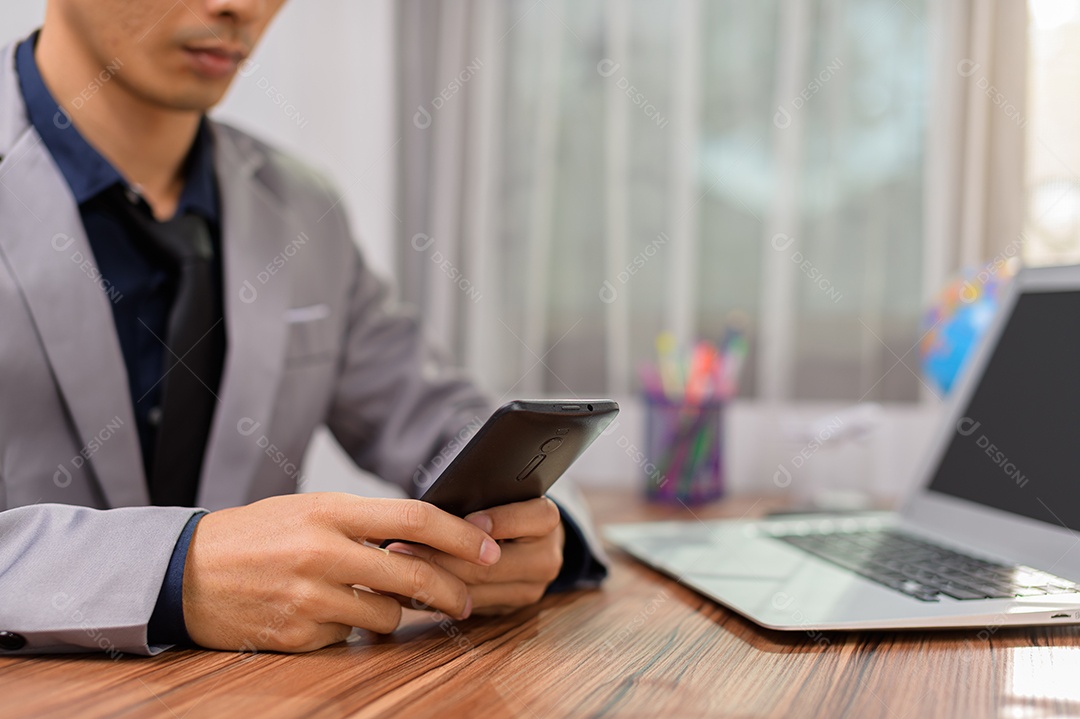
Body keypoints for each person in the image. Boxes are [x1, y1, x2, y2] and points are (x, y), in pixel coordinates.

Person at [0, 0, 606, 656]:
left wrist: (537, 531)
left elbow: (443, 418)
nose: (239, 7)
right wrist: (178, 572)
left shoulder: (302, 209)